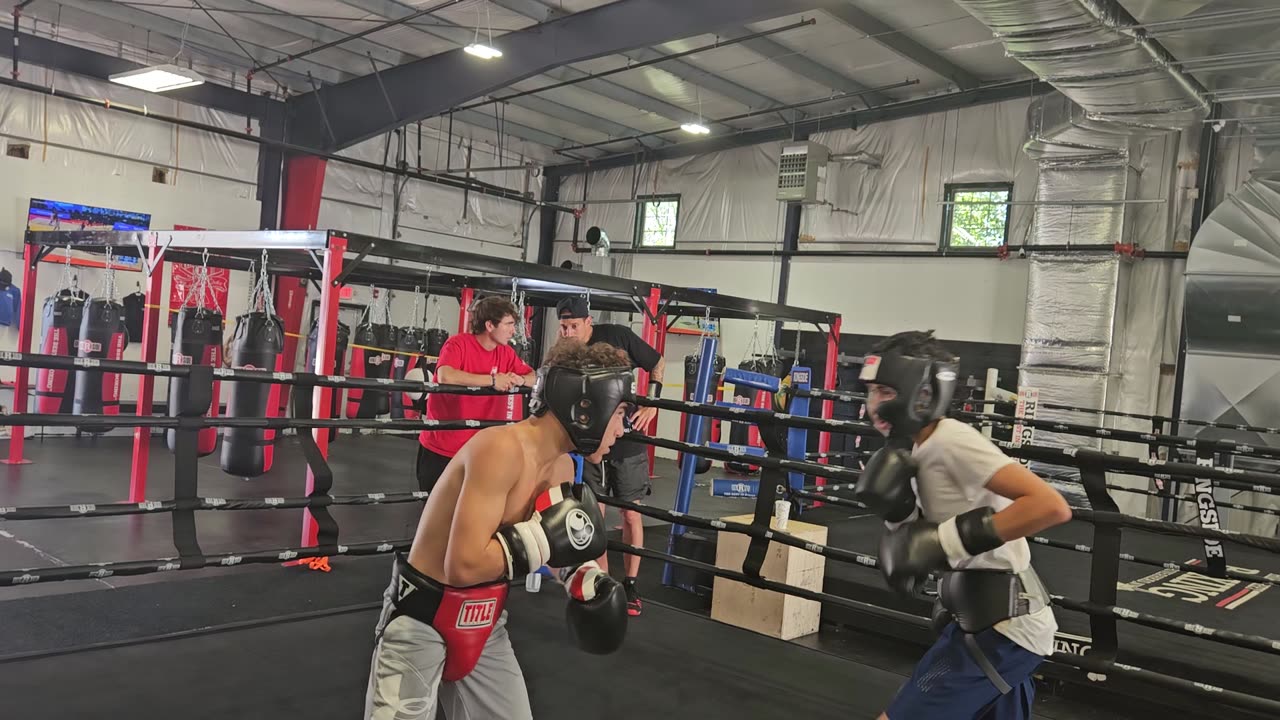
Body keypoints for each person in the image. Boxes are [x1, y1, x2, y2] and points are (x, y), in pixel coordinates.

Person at [364, 340, 634, 720]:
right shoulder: (500, 449)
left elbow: (547, 544)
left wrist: (581, 576)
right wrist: (542, 540)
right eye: (620, 412)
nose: (622, 429)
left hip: (485, 623)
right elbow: (464, 565)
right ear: (587, 407)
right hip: (420, 621)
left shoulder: (559, 467)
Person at [853, 330, 1072, 720]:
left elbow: (1050, 506)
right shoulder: (908, 450)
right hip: (983, 620)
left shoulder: (950, 440)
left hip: (1005, 631)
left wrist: (944, 542)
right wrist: (899, 516)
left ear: (920, 392)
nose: (874, 405)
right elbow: (922, 539)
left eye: (886, 391)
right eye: (870, 391)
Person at [556, 294, 664, 616]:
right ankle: (603, 581)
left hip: (627, 438)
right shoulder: (565, 353)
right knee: (595, 514)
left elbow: (656, 362)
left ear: (589, 323)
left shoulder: (618, 336)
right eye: (562, 327)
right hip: (589, 444)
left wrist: (651, 402)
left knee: (630, 514)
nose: (567, 333)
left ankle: (630, 584)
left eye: (573, 325)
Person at [415, 296, 536, 494]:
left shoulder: (505, 353)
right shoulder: (457, 344)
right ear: (489, 325)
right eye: (508, 324)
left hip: (480, 451)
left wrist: (521, 380)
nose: (513, 331)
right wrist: (493, 380)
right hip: (443, 447)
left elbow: (534, 375)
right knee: (436, 514)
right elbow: (446, 375)